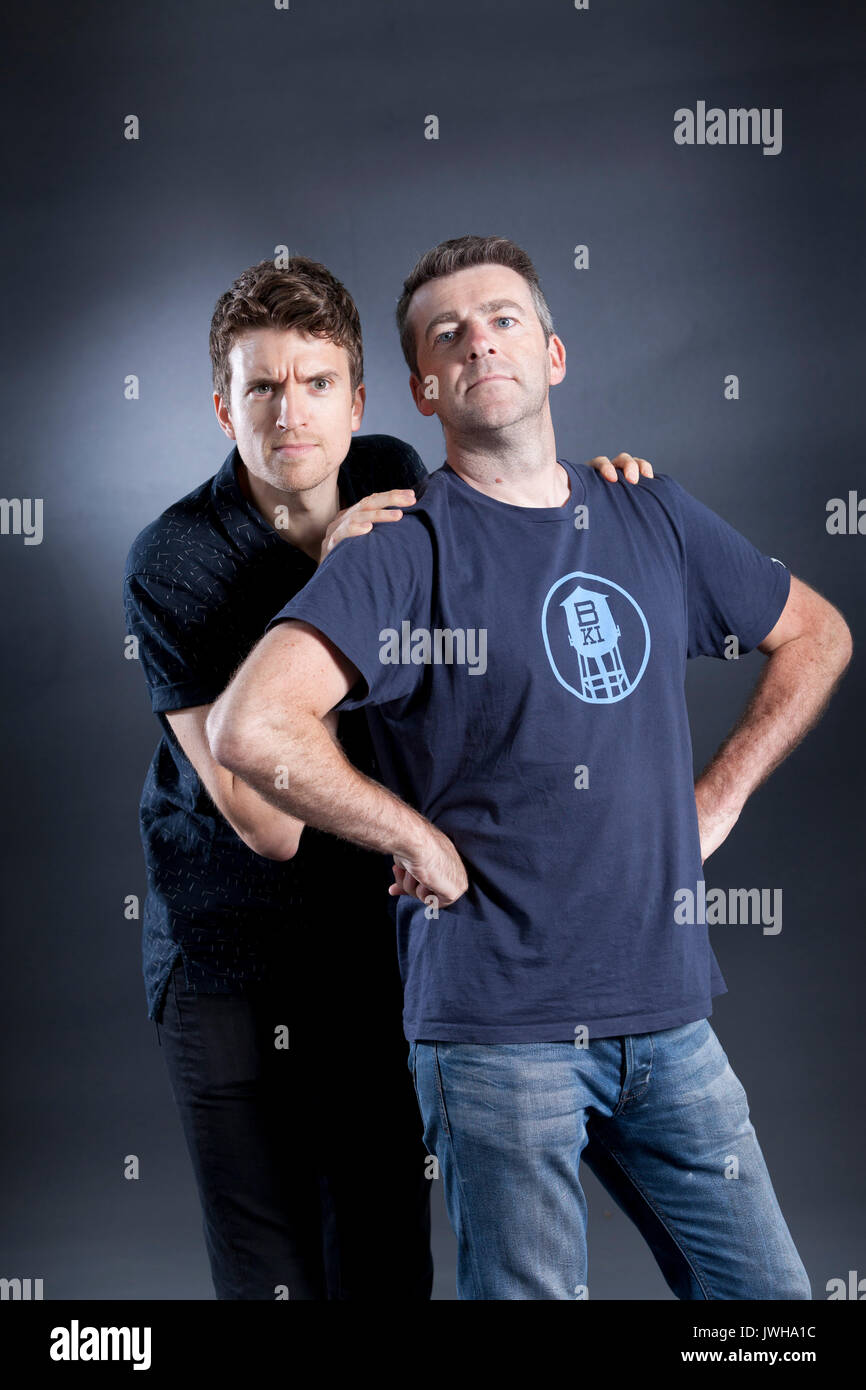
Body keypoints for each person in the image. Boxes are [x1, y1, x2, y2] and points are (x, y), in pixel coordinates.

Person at [206, 234, 853, 1301]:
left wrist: (720, 792)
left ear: (552, 354)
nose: (479, 341)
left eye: (503, 318)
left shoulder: (649, 510)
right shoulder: (402, 550)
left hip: (669, 1017)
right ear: (419, 388)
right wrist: (410, 835)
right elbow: (251, 723)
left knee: (770, 1314)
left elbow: (814, 631)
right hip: (498, 1041)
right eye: (447, 334)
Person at [123, 252, 644, 1300]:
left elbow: (512, 553)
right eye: (260, 387)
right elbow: (261, 824)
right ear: (220, 406)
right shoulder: (173, 556)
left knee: (382, 1251)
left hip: (369, 936)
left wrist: (612, 500)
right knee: (273, 1271)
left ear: (357, 399)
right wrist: (333, 583)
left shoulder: (390, 474)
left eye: (315, 384)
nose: (289, 414)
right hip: (227, 952)